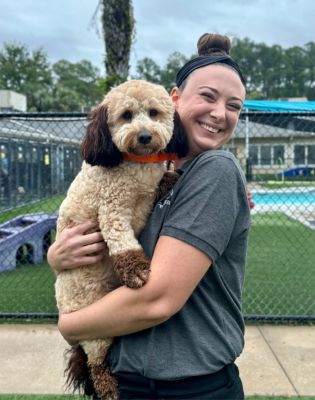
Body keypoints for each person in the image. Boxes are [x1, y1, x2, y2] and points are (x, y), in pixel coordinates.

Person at [48, 32, 250, 400]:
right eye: (208, 96)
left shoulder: (216, 169)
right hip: (127, 376)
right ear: (174, 99)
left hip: (189, 387)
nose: (220, 113)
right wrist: (56, 256)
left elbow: (157, 299)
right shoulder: (151, 169)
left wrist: (70, 325)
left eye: (234, 106)